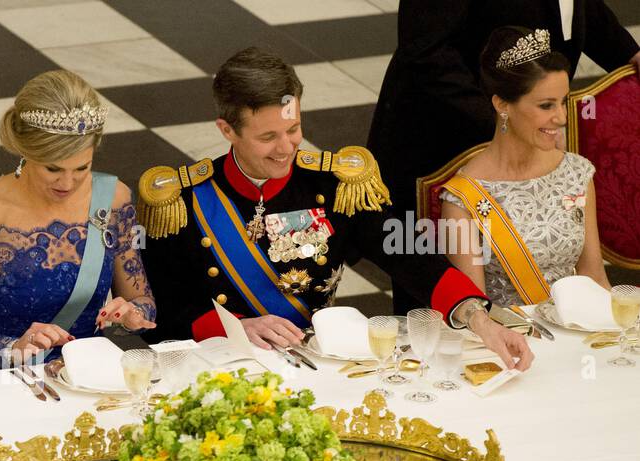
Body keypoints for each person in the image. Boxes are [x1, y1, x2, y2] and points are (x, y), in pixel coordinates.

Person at [136, 47, 535, 371]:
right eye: (268, 137)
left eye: (293, 130)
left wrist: (478, 318)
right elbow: (163, 311)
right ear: (227, 130)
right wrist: (238, 329)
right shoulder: (181, 203)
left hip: (317, 364)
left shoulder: (336, 187)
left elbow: (411, 255)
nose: (286, 148)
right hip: (222, 366)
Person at [0, 70, 155, 371]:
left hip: (88, 375)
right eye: (53, 169)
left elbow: (141, 298)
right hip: (7, 379)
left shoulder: (112, 198)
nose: (68, 183)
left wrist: (132, 313)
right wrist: (12, 348)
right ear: (25, 152)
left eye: (82, 168)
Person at [368, 0, 640, 206]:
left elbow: (573, 7)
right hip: (447, 136)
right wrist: (506, 123)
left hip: (523, 134)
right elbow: (425, 50)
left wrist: (629, 53)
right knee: (442, 271)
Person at [440, 27, 610, 305]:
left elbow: (595, 277)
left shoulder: (577, 173)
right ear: (502, 105)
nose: (561, 118)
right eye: (546, 106)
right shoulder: (462, 199)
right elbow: (475, 311)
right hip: (511, 341)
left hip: (579, 334)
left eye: (563, 102)